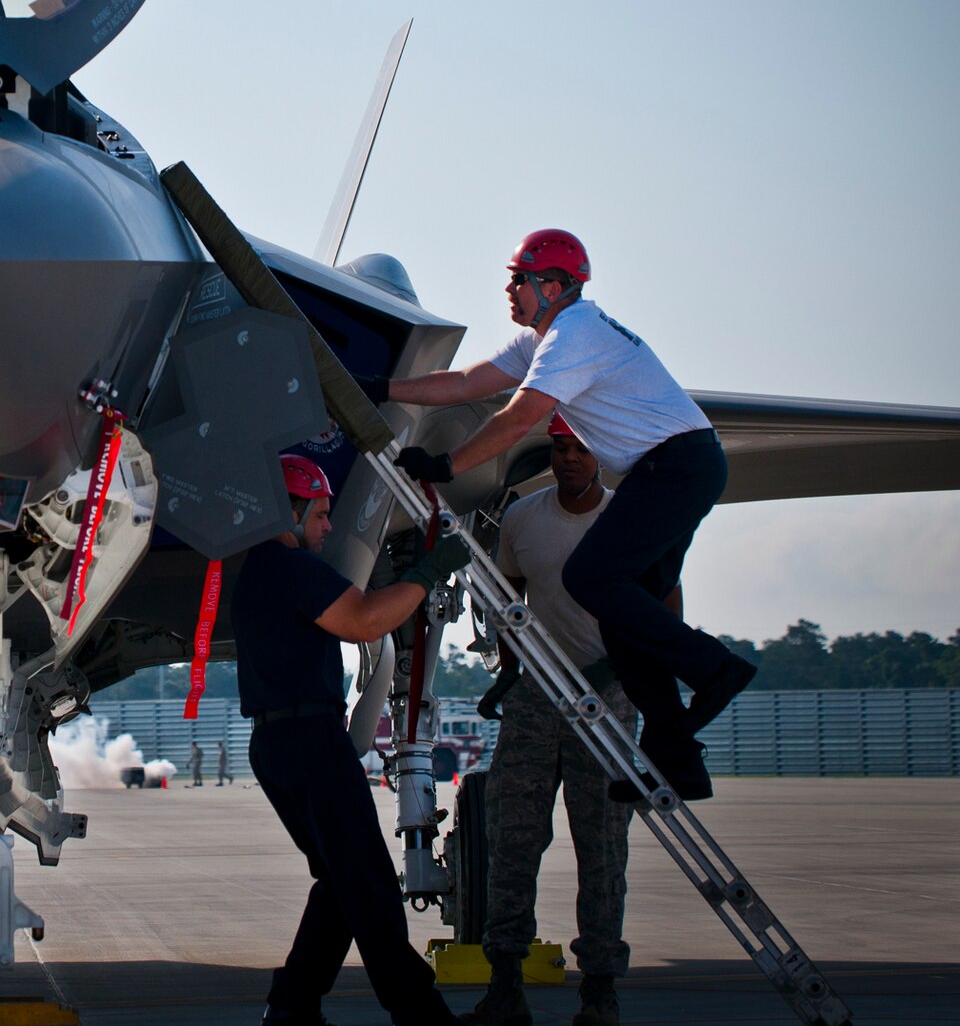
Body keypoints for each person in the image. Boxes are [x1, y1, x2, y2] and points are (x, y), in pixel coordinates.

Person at [365, 229, 753, 804]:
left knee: (590, 578)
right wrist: (381, 387)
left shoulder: (574, 336)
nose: (510, 288)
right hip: (671, 468)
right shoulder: (544, 339)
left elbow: (520, 418)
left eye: (519, 278)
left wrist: (446, 465)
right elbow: (469, 383)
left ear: (552, 286)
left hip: (676, 468)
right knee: (624, 624)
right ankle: (678, 759)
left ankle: (716, 668)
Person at [239, 452, 472, 1026]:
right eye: (319, 516)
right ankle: (421, 1013)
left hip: (276, 744)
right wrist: (426, 572)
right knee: (367, 883)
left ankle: (293, 1004)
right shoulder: (291, 568)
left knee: (341, 882)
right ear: (290, 513)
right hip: (311, 742)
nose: (326, 529)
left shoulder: (257, 571)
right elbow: (366, 621)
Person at [466, 415, 642, 1026]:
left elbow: (663, 598)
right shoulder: (522, 519)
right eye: (560, 448)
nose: (569, 459)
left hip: (609, 696)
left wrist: (639, 672)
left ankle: (599, 989)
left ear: (600, 456)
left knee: (602, 846)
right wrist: (512, 674)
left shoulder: (629, 519)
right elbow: (511, 600)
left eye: (580, 449)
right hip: (538, 698)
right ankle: (505, 984)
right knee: (512, 841)